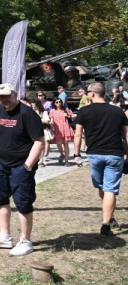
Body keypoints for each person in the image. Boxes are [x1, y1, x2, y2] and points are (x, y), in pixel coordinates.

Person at [0, 83, 44, 257]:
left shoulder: (27, 113)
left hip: (21, 165)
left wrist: (27, 166)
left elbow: (39, 141)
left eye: (7, 96)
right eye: (1, 97)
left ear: (15, 94)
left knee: (23, 202)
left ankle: (25, 240)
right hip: (0, 163)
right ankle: (5, 236)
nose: (4, 100)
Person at [74, 82, 128, 236]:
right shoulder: (118, 111)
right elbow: (127, 135)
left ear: (92, 93)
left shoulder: (83, 111)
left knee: (103, 187)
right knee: (109, 188)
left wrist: (76, 155)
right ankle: (108, 221)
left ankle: (107, 221)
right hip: (115, 154)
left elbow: (78, 135)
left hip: (95, 154)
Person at [50, 98, 74, 165]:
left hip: (65, 128)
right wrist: (52, 127)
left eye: (59, 102)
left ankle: (67, 161)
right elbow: (51, 120)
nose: (58, 103)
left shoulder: (65, 110)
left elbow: (72, 116)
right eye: (56, 102)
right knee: (59, 143)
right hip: (58, 129)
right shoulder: (52, 111)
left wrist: (68, 116)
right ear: (54, 103)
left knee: (66, 144)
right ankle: (61, 153)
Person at [32, 100, 52, 167]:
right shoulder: (31, 112)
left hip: (42, 129)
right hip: (33, 130)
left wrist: (37, 119)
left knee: (41, 145)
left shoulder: (44, 112)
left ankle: (41, 160)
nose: (32, 106)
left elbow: (47, 121)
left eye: (33, 104)